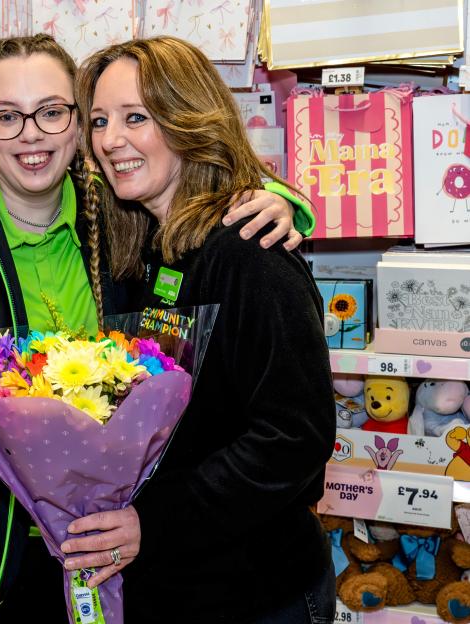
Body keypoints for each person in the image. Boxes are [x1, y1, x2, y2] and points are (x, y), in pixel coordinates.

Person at [0, 35, 311, 623]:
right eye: (7, 116)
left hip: (99, 555)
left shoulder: (118, 220)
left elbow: (201, 199)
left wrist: (279, 199)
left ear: (74, 125)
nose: (31, 134)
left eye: (52, 111)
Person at [60, 37, 336, 623]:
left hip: (258, 593)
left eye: (136, 117)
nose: (111, 141)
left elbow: (294, 440)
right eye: (101, 121)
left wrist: (153, 521)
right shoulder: (141, 246)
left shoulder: (248, 252)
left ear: (188, 120)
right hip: (179, 583)